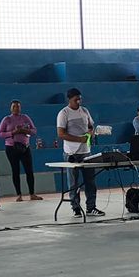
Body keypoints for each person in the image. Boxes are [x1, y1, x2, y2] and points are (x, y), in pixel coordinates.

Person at [57, 88, 102, 217]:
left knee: (90, 181)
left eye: (80, 99)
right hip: (71, 152)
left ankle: (91, 207)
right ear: (69, 99)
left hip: (85, 151)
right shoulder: (64, 113)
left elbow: (91, 126)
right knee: (73, 183)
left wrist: (90, 133)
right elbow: (61, 134)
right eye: (75, 99)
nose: (78, 101)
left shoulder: (85, 111)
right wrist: (78, 139)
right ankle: (75, 207)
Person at [0, 100, 42, 201]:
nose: (16, 108)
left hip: (25, 147)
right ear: (10, 108)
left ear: (20, 108)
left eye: (18, 106)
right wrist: (13, 132)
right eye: (14, 107)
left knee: (29, 170)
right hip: (11, 148)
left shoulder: (25, 117)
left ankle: (32, 194)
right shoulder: (7, 119)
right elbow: (0, 134)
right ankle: (19, 194)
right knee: (15, 170)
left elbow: (34, 130)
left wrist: (24, 130)